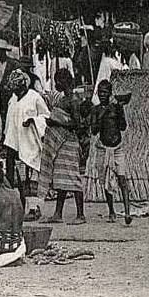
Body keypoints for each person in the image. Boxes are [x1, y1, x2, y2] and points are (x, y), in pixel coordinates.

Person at [40, 68, 87, 225]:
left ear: (65, 81)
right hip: (62, 144)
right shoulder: (63, 99)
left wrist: (56, 122)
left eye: (58, 81)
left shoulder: (73, 100)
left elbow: (78, 124)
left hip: (69, 142)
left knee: (72, 178)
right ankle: (58, 214)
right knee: (61, 179)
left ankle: (81, 215)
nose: (56, 84)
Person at [2, 69, 50, 218]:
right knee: (22, 179)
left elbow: (46, 116)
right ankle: (24, 207)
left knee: (34, 178)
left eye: (17, 88)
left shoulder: (34, 97)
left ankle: (35, 208)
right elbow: (10, 122)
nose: (15, 91)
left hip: (31, 143)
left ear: (23, 85)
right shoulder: (13, 100)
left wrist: (33, 120)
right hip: (16, 144)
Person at [90, 79, 132, 225]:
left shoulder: (115, 108)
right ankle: (112, 211)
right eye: (100, 92)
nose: (102, 95)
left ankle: (127, 212)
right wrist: (102, 115)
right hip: (103, 147)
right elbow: (94, 130)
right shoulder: (95, 110)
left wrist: (120, 110)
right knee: (107, 180)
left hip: (117, 147)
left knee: (122, 178)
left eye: (105, 93)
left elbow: (123, 127)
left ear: (110, 94)